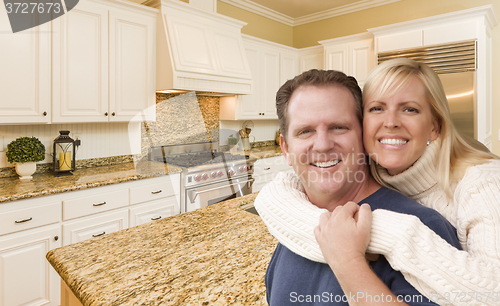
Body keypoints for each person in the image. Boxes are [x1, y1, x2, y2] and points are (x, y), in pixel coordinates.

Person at [256, 59, 500, 306]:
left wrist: (362, 251)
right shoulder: (294, 217)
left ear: (361, 136)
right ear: (285, 149)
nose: (322, 145)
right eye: (305, 131)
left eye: (339, 127)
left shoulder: (442, 214)